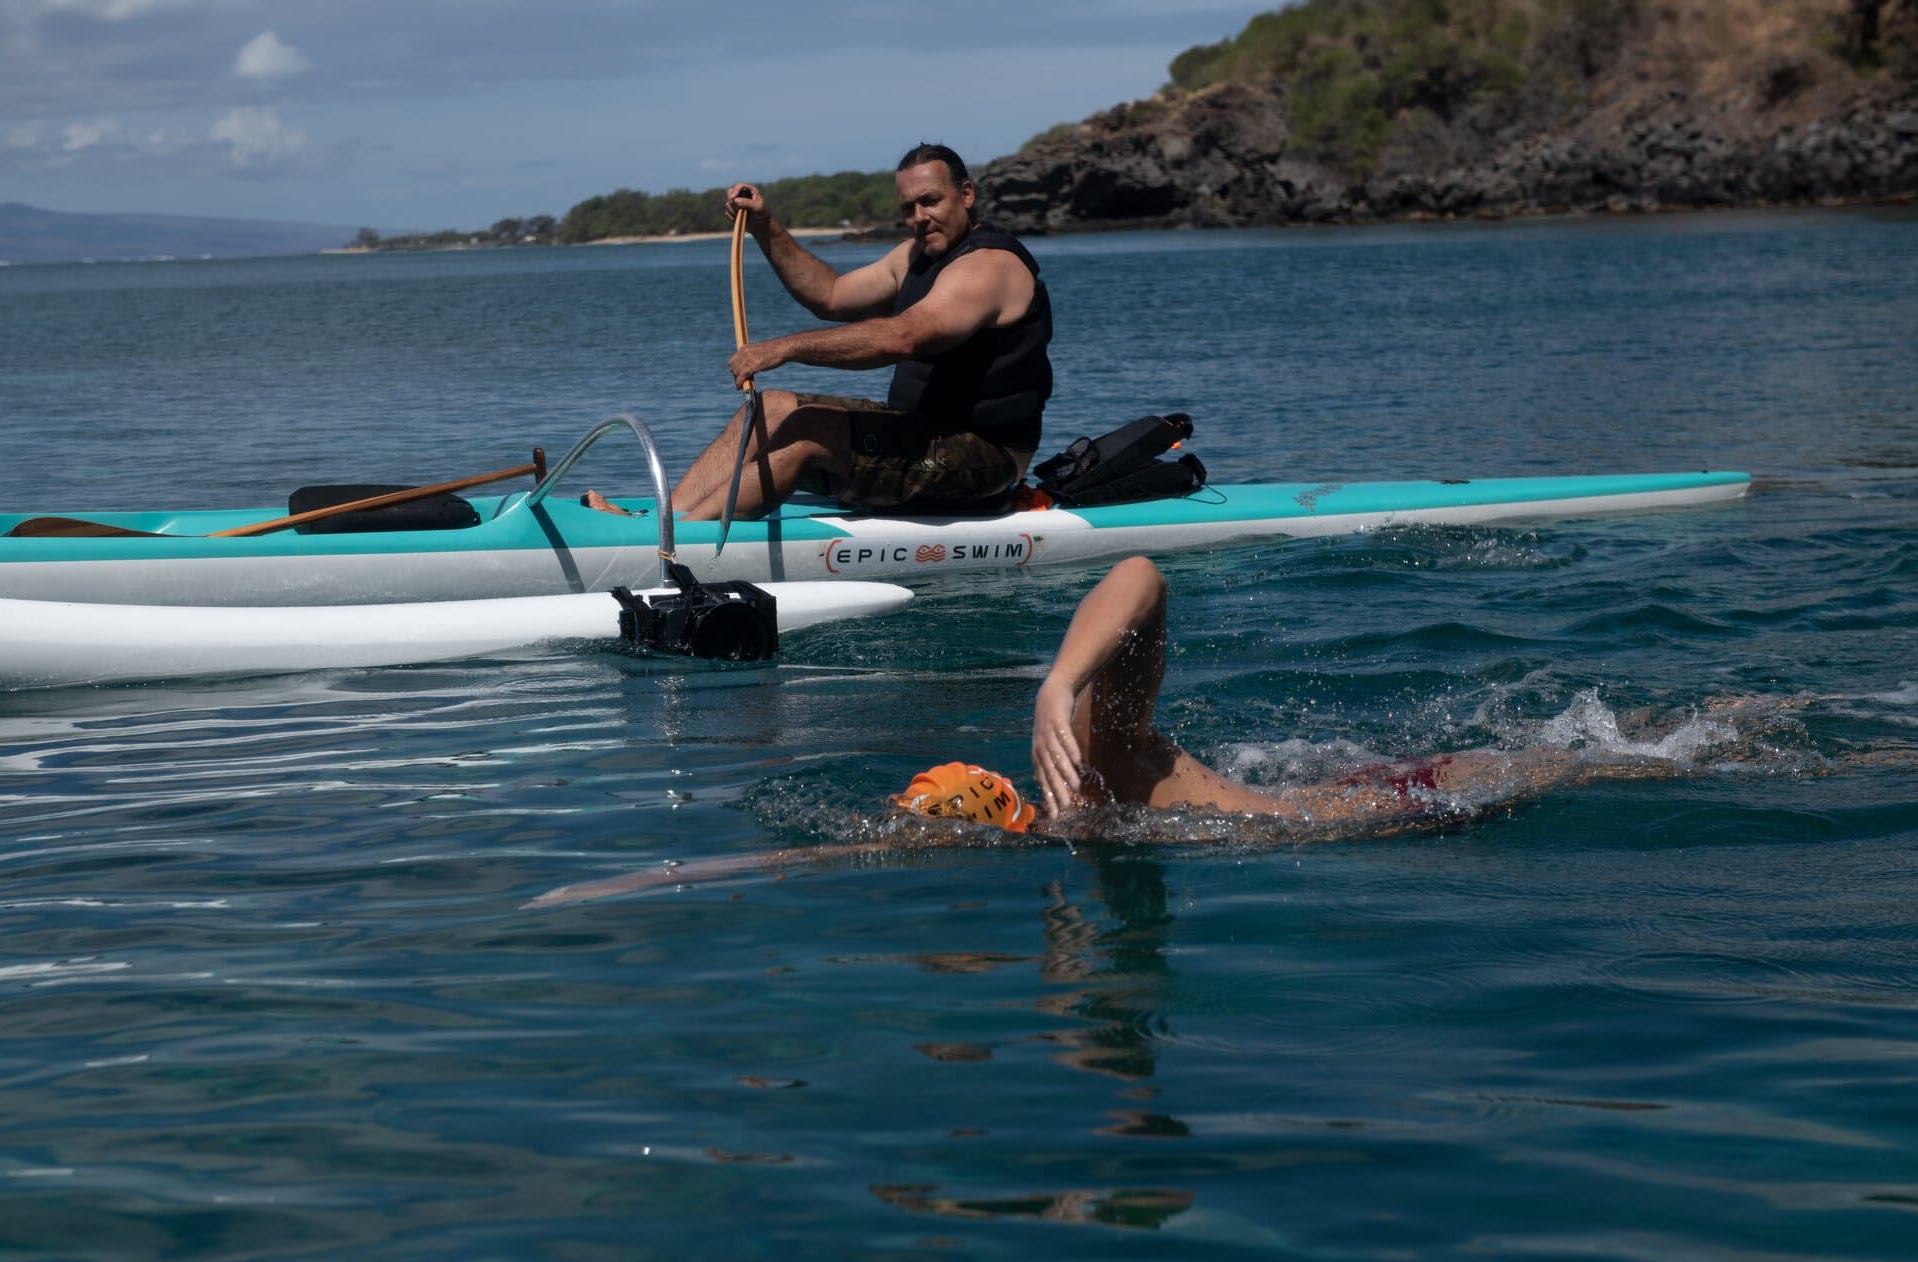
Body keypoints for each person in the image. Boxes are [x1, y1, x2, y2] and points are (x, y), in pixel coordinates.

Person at [528, 558, 1694, 908]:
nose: (920, 841)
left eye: (935, 832)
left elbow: (1140, 574)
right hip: (1359, 799)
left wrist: (1055, 685)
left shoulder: (1097, 760)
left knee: (1642, 756)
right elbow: (830, 856)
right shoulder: (1054, 832)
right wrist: (640, 884)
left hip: (1406, 803)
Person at [655, 144, 1053, 522]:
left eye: (931, 201)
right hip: (920, 430)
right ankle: (665, 519)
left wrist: (783, 349)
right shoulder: (914, 257)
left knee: (810, 431)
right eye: (908, 208)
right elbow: (830, 295)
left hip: (987, 459)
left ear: (966, 194)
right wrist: (765, 226)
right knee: (770, 408)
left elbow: (902, 337)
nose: (919, 217)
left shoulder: (988, 266)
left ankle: (688, 538)